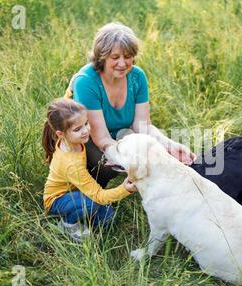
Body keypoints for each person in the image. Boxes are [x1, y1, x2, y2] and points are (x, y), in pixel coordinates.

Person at [64, 22, 196, 187]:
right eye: (115, 57)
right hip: (85, 137)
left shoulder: (137, 77)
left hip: (117, 134)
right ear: (101, 56)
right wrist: (134, 156)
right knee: (107, 165)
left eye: (127, 56)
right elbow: (101, 138)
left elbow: (143, 126)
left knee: (153, 151)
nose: (122, 63)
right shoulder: (86, 81)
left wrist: (168, 145)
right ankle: (87, 189)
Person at [42, 98, 137, 242]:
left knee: (107, 218)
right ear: (61, 134)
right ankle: (68, 224)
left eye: (86, 123)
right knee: (91, 203)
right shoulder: (71, 165)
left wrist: (70, 88)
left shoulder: (70, 140)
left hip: (75, 191)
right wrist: (125, 189)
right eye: (77, 129)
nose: (86, 130)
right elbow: (98, 196)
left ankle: (82, 211)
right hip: (56, 200)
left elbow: (62, 112)